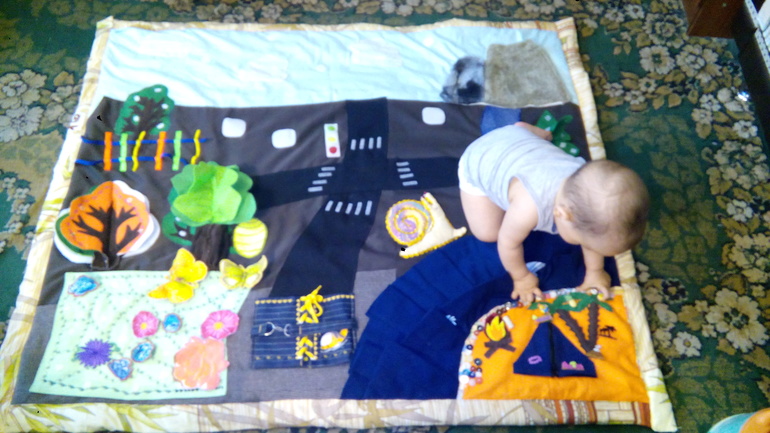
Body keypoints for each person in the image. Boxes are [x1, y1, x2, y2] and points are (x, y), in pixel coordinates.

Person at [458, 121, 649, 305]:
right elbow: (508, 243)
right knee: (488, 233)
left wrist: (595, 271)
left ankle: (526, 131)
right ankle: (521, 132)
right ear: (562, 214)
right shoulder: (527, 209)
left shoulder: (583, 180)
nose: (589, 247)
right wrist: (521, 277)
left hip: (518, 140)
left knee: (588, 228)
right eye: (583, 242)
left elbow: (592, 234)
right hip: (480, 158)